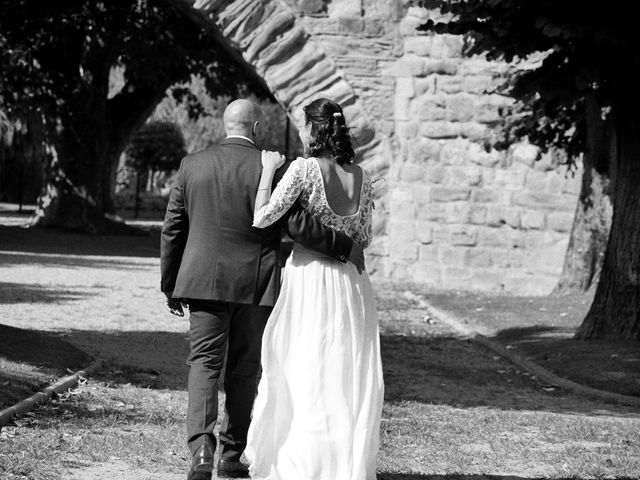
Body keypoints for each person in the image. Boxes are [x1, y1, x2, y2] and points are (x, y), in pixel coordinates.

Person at [160, 99, 364, 480]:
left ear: (226, 126)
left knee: (204, 364)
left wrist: (172, 285)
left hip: (203, 283)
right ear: (255, 128)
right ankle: (232, 455)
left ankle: (202, 450)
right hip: (256, 283)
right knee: (244, 369)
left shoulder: (193, 165)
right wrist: (344, 246)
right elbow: (298, 224)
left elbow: (173, 227)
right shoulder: (274, 166)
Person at [246, 98, 384, 480]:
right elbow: (366, 237)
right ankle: (342, 466)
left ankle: (304, 466)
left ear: (313, 130)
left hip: (310, 277)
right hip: (351, 284)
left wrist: (267, 172)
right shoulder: (363, 176)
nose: (302, 132)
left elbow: (263, 217)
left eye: (304, 126)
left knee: (305, 367)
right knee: (343, 373)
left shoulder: (304, 169)